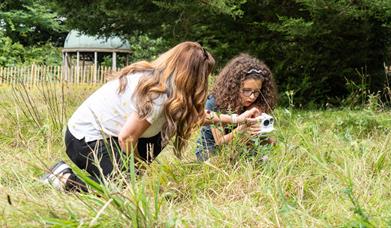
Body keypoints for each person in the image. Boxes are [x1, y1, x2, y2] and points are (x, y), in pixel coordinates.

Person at [41, 42, 258, 192]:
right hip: (85, 138)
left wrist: (238, 120)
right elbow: (127, 137)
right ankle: (62, 177)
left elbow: (196, 116)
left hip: (109, 136)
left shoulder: (169, 87)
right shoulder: (159, 94)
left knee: (167, 128)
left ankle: (114, 179)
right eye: (203, 75)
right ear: (191, 74)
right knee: (118, 193)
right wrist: (134, 173)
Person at [195, 53, 277, 161]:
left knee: (263, 160)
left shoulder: (255, 105)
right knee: (221, 163)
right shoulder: (215, 102)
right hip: (210, 150)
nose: (252, 97)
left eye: (257, 92)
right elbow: (219, 142)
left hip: (239, 149)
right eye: (246, 91)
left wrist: (263, 133)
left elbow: (271, 143)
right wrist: (242, 129)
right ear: (234, 87)